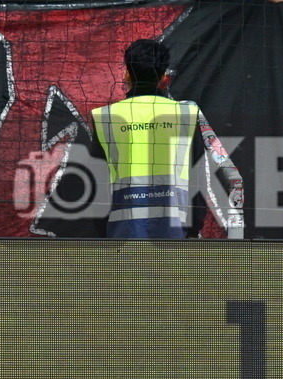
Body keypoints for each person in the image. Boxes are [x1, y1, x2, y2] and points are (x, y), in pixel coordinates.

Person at [91, 40, 243, 239]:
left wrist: (103, 232)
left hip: (122, 232)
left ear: (126, 73)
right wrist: (193, 227)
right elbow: (197, 175)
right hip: (175, 230)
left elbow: (96, 184)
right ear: (163, 76)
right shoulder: (186, 113)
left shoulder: (104, 117)